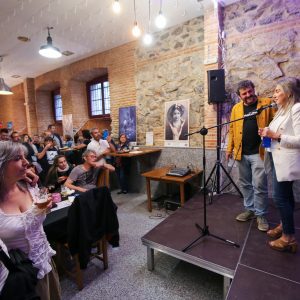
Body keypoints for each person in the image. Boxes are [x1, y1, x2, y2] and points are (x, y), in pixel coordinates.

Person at [0, 141, 61, 299]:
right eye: (18, 158)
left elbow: (36, 219)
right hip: (19, 274)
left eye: (25, 157)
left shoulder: (28, 186)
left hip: (45, 261)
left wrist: (43, 206)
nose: (27, 162)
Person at [226, 80, 274, 231]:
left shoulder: (266, 103)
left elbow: (276, 123)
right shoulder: (236, 109)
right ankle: (250, 209)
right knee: (245, 184)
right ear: (240, 96)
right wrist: (229, 149)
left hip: (259, 152)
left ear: (254, 89)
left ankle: (261, 214)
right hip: (241, 153)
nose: (248, 95)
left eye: (249, 91)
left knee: (259, 185)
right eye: (244, 93)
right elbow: (232, 129)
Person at [258, 77, 300, 252]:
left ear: (288, 93)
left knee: (280, 198)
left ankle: (289, 238)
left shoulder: (297, 108)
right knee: (286, 197)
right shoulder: (281, 110)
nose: (273, 95)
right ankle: (284, 225)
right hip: (275, 158)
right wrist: (266, 133)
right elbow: (276, 133)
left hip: (285, 161)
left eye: (277, 91)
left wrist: (275, 135)